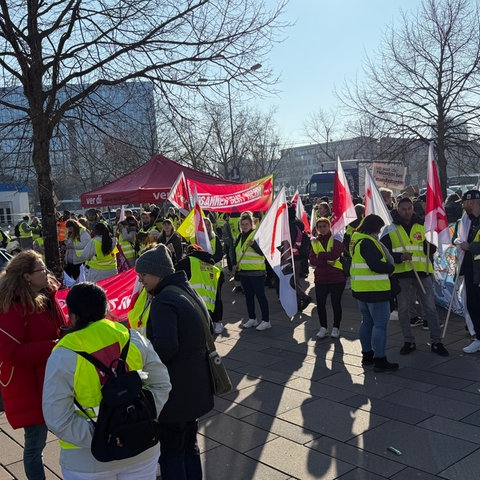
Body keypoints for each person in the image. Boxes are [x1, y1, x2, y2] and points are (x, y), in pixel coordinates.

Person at [42, 282, 171, 480]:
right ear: (106, 309)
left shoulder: (63, 355)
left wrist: (105, 435)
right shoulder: (132, 338)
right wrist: (141, 421)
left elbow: (57, 418)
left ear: (73, 316)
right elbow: (162, 385)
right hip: (142, 447)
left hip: (89, 460)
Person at [136, 244, 214, 480]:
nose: (141, 281)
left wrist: (144, 365)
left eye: (144, 275)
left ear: (159, 272)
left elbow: (166, 348)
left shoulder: (163, 301)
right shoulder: (186, 290)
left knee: (171, 450)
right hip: (196, 384)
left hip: (175, 391)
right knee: (189, 444)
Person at [0, 250, 68, 479]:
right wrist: (54, 346)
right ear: (27, 276)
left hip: (50, 378)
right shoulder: (12, 305)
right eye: (41, 269)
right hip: (30, 385)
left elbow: (60, 326)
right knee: (35, 444)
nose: (46, 272)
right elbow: (10, 353)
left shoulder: (46, 294)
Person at [381, 197, 449, 357]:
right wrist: (399, 257)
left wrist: (430, 246)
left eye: (409, 208)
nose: (407, 212)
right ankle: (409, 341)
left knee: (430, 309)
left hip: (422, 272)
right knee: (404, 310)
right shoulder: (390, 229)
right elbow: (384, 251)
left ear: (413, 208)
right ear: (398, 209)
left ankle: (437, 341)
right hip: (402, 273)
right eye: (404, 209)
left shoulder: (423, 225)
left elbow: (432, 247)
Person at [350, 214, 398, 372]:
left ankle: (367, 355)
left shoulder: (357, 240)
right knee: (380, 326)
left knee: (366, 322)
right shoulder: (369, 242)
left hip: (361, 289)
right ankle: (380, 359)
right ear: (374, 227)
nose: (379, 232)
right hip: (375, 289)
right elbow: (375, 265)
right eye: (379, 228)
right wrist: (390, 268)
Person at [309, 218, 347, 339]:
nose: (322, 229)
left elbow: (335, 254)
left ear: (329, 226)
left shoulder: (336, 238)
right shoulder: (314, 241)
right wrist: (325, 259)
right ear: (317, 229)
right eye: (319, 227)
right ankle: (323, 327)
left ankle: (336, 327)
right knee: (320, 304)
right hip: (321, 278)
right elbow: (312, 260)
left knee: (336, 303)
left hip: (336, 277)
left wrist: (320, 256)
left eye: (324, 226)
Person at [233, 211, 271, 331]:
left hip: (257, 272)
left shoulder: (256, 235)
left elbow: (264, 252)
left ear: (251, 224)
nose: (244, 226)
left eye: (246, 224)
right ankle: (252, 318)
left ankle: (266, 320)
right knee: (248, 297)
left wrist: (254, 245)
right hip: (244, 272)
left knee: (260, 296)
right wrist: (235, 264)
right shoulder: (239, 236)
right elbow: (236, 252)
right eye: (242, 224)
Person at [176, 244, 225, 335]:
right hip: (210, 307)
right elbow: (218, 293)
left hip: (193, 303)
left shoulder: (188, 261)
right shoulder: (214, 268)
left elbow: (175, 270)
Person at [457, 190, 480, 353]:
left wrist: (469, 246)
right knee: (472, 304)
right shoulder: (467, 220)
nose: (463, 206)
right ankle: (477, 336)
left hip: (477, 270)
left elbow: (472, 244)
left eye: (464, 203)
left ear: (471, 203)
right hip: (472, 270)